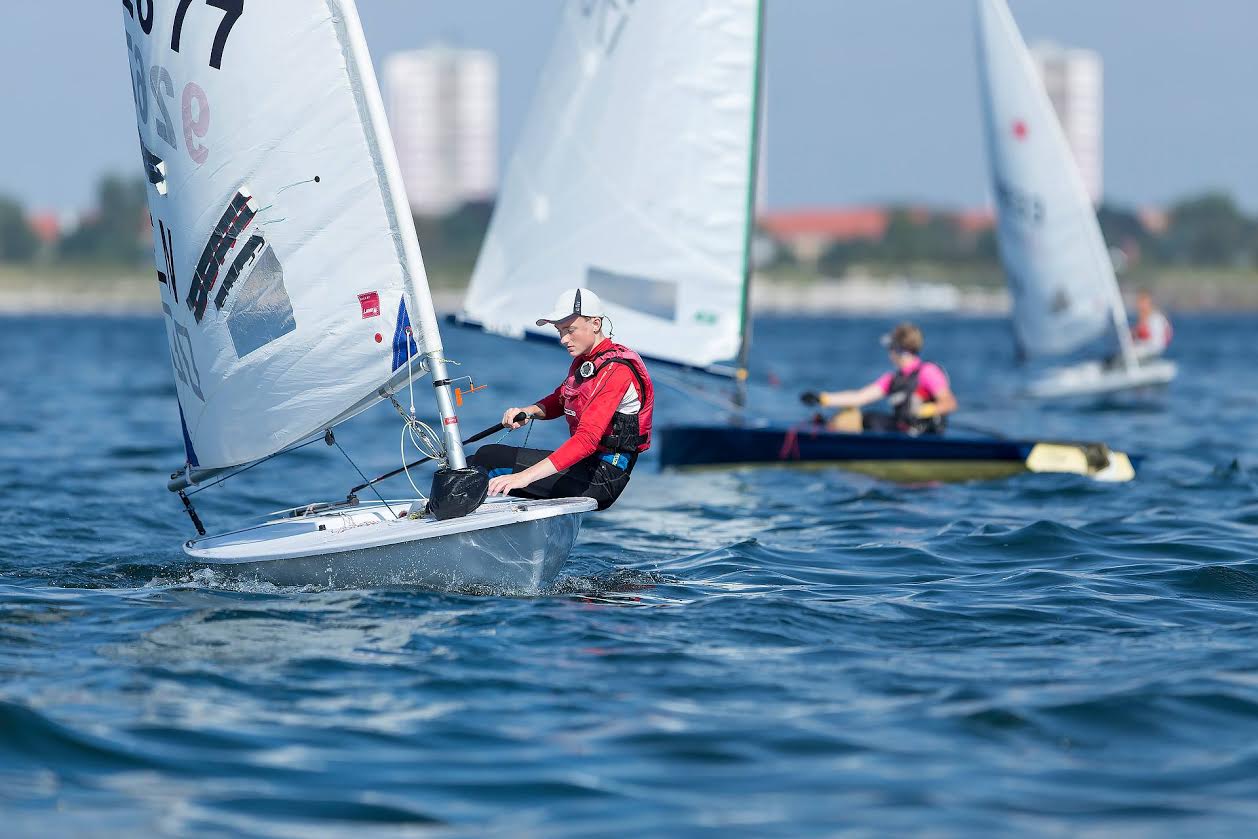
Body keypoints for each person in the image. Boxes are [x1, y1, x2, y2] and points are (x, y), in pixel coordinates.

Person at [469, 288, 653, 510]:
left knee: (488, 459)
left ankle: (450, 521)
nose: (563, 339)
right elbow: (561, 399)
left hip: (603, 477)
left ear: (595, 324)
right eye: (559, 331)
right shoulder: (587, 360)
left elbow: (586, 441)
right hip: (586, 466)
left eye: (570, 330)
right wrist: (528, 411)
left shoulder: (616, 370)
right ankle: (447, 513)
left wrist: (523, 477)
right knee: (471, 463)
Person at [799, 322, 957, 435]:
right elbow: (858, 398)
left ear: (899, 349)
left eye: (891, 348)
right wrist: (823, 399)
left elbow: (949, 403)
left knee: (869, 419)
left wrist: (924, 410)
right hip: (903, 430)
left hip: (926, 434)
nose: (889, 353)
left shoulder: (928, 372)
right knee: (852, 416)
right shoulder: (893, 379)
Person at [1130, 290, 1172, 361]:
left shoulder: (1156, 318)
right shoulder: (1143, 318)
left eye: (1142, 301)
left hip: (1152, 350)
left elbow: (1157, 343)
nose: (1139, 305)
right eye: (1139, 302)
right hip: (1144, 350)